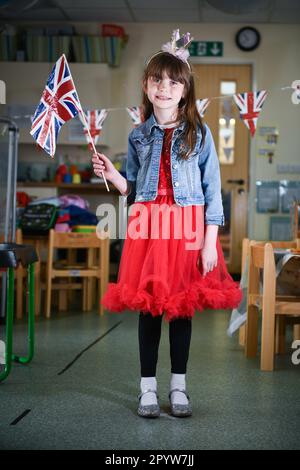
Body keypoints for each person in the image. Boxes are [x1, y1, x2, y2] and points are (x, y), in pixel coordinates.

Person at [92, 30, 242, 419]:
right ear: (146, 85)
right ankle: (147, 389)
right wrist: (114, 174)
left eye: (174, 82)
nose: (164, 88)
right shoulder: (138, 134)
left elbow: (213, 192)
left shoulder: (199, 133)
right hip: (147, 227)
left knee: (181, 309)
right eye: (157, 80)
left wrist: (211, 243)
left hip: (188, 229)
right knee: (150, 310)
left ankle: (179, 387)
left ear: (185, 91)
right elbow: (135, 189)